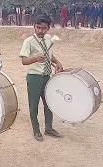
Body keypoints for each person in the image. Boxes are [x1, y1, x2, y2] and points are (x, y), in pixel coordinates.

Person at [19, 14, 64, 142]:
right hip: (34, 78)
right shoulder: (29, 41)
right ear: (34, 26)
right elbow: (24, 61)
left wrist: (57, 62)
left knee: (49, 103)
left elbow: (50, 54)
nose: (40, 31)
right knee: (34, 105)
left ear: (48, 28)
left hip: (47, 76)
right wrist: (35, 59)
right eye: (38, 27)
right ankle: (36, 130)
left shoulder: (49, 38)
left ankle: (49, 128)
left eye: (43, 28)